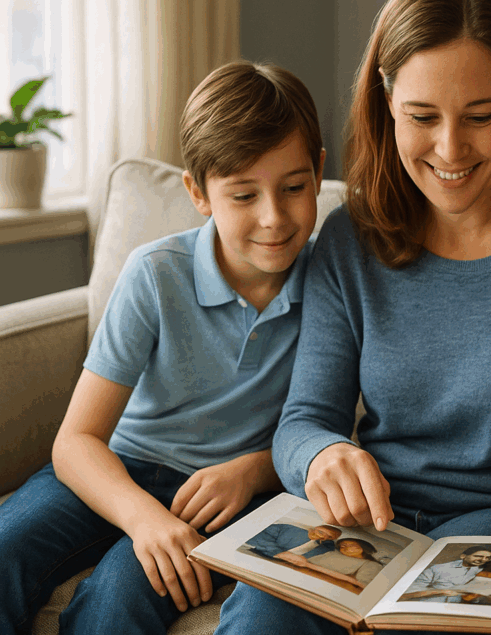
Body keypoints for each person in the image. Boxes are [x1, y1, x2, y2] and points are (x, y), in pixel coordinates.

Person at [216, 0, 491, 635]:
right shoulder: (350, 238)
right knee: (259, 621)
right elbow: (302, 421)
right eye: (422, 116)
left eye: (480, 115)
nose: (450, 148)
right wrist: (324, 455)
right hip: (371, 526)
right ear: (385, 101)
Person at [0, 60, 325, 635]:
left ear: (319, 174)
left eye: (293, 188)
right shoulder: (156, 273)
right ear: (198, 192)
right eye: (244, 195)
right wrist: (144, 518)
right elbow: (76, 442)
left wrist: (251, 473)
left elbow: (329, 430)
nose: (274, 218)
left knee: (120, 598)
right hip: (119, 469)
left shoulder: (334, 284)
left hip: (227, 496)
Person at [279, 538, 384, 592]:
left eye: (352, 545)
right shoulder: (333, 553)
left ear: (363, 548)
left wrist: (307, 565)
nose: (346, 548)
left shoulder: (371, 565)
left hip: (307, 572)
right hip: (296, 564)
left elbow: (361, 585)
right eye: (343, 546)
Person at [399, 546, 491, 603]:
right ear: (463, 556)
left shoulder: (486, 573)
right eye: (478, 556)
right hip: (428, 607)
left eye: (487, 558)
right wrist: (441, 591)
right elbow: (406, 594)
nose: (483, 560)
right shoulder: (438, 568)